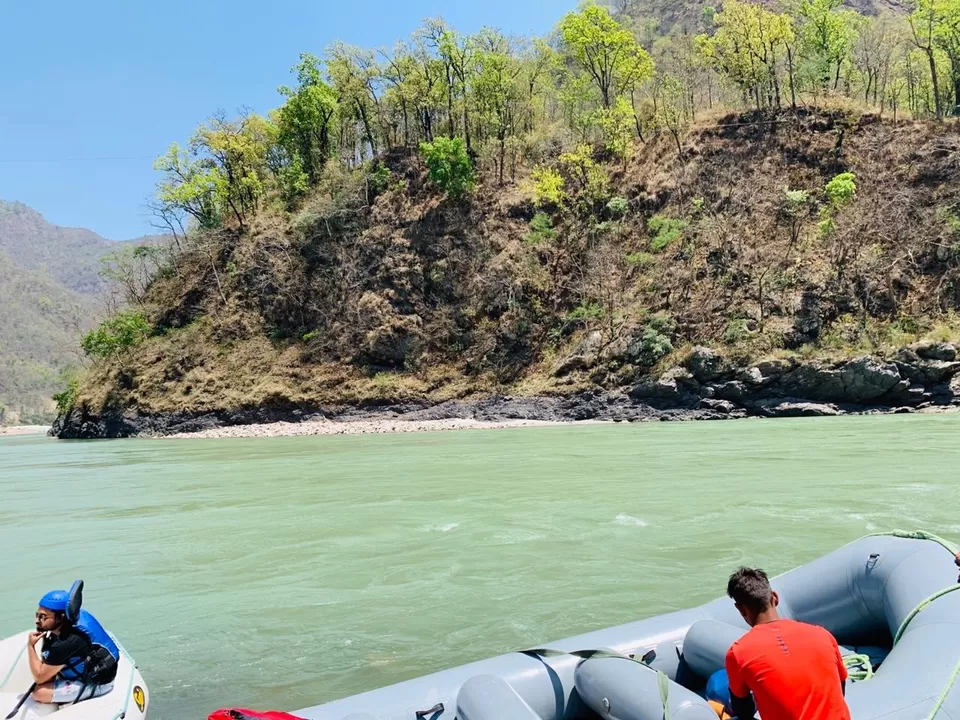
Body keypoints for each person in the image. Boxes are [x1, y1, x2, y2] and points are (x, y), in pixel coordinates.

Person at [724, 567, 850, 720]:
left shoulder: (738, 652)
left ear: (741, 610)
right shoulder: (822, 634)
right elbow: (840, 689)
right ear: (775, 597)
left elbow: (744, 712)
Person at [26, 589, 120, 704]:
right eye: (37, 615)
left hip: (98, 683)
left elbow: (39, 677)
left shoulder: (67, 642)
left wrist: (31, 646)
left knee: (39, 693)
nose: (37, 621)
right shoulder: (79, 616)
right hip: (97, 667)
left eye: (44, 617)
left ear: (60, 617)